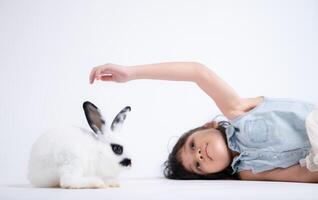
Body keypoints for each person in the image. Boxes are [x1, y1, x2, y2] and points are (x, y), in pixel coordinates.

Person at [89, 62, 318, 183]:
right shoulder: (248, 173)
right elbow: (300, 174)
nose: (199, 155)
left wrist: (132, 73)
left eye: (192, 145)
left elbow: (197, 72)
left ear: (210, 126)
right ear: (210, 174)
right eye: (197, 166)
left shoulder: (237, 111)